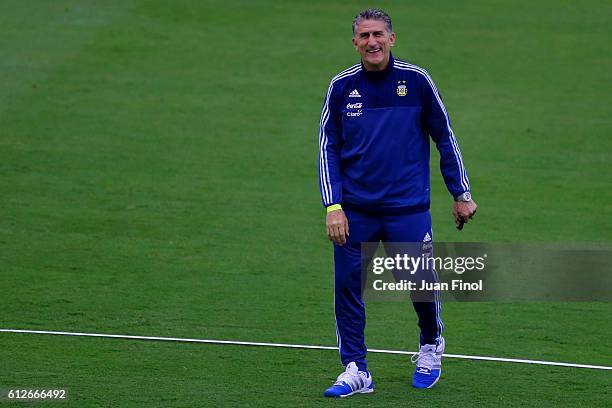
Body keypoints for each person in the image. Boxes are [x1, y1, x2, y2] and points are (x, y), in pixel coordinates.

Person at [318, 8, 477, 398]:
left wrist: (461, 194)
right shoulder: (341, 87)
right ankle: (356, 369)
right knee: (348, 288)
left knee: (420, 284)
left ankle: (429, 346)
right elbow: (328, 147)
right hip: (355, 212)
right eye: (364, 36)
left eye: (378, 35)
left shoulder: (417, 81)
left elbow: (445, 137)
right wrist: (333, 205)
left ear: (392, 39)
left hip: (407, 210)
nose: (372, 42)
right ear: (354, 42)